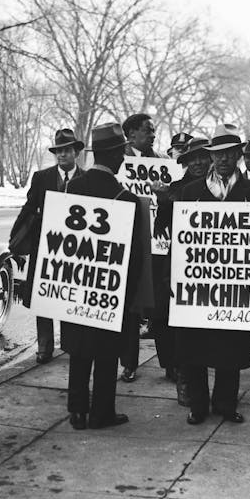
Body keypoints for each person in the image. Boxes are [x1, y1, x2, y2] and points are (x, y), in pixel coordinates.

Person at [172, 124, 250, 425]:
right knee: (196, 346)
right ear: (210, 157)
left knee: (231, 345)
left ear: (239, 155)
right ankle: (198, 405)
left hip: (236, 285)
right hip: (199, 283)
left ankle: (226, 404)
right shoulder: (191, 192)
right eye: (218, 154)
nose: (223, 159)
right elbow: (180, 240)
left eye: (229, 154)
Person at [62, 122, 145, 430]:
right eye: (121, 153)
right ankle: (102, 413)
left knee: (79, 352)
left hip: (74, 285)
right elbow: (134, 259)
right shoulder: (125, 198)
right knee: (107, 355)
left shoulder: (72, 189)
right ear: (113, 156)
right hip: (111, 291)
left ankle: (77, 411)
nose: (124, 158)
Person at [10, 129, 84, 364]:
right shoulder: (42, 177)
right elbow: (29, 207)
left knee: (69, 295)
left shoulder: (86, 178)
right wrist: (17, 238)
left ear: (76, 153)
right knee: (43, 296)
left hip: (74, 250)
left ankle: (71, 343)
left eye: (67, 151)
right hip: (44, 247)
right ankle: (44, 346)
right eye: (58, 151)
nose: (62, 155)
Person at [153, 136, 211, 406]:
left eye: (203, 157)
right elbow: (161, 228)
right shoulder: (175, 188)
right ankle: (183, 379)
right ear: (186, 162)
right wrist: (163, 201)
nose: (199, 162)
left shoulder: (219, 188)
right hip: (181, 264)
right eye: (193, 158)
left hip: (214, 267)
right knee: (179, 324)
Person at [119, 113, 162, 381]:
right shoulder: (118, 160)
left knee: (159, 303)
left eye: (154, 130)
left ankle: (169, 363)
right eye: (148, 130)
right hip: (127, 239)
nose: (153, 135)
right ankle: (129, 363)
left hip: (157, 241)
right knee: (130, 307)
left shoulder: (161, 162)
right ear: (132, 134)